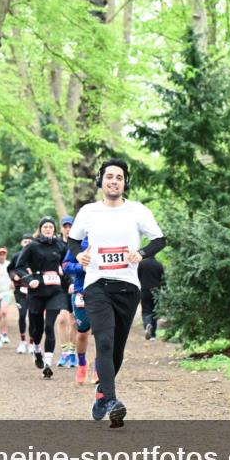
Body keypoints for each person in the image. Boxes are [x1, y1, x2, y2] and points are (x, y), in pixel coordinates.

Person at [68, 159, 165, 427]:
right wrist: (80, 255)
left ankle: (101, 396)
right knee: (105, 341)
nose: (114, 181)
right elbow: (73, 239)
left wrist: (142, 253)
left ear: (125, 182)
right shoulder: (88, 211)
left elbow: (159, 239)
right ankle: (111, 400)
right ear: (101, 180)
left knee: (117, 350)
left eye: (119, 177)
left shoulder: (137, 210)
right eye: (109, 176)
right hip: (97, 285)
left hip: (128, 287)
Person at [15, 216, 68, 378]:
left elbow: (67, 264)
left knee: (49, 325)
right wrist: (29, 280)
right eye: (45, 227)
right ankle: (37, 350)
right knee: (36, 328)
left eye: (51, 227)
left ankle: (48, 362)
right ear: (40, 229)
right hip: (37, 290)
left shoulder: (60, 245)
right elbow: (19, 267)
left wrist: (69, 279)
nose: (48, 229)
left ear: (54, 229)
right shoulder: (32, 246)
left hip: (55, 291)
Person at [62, 236, 94, 385]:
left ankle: (100, 367)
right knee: (82, 334)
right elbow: (66, 265)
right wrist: (81, 266)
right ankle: (82, 364)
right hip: (81, 291)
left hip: (103, 292)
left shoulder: (110, 237)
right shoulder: (80, 243)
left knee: (103, 333)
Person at [57, 215, 79, 368]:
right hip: (60, 287)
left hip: (75, 286)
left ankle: (72, 353)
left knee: (73, 321)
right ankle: (64, 352)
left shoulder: (77, 244)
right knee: (62, 320)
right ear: (61, 229)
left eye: (70, 226)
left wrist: (74, 281)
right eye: (65, 226)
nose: (67, 229)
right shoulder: (57, 244)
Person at [8, 234, 33, 354]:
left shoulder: (36, 256)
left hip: (34, 291)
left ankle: (32, 343)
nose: (27, 243)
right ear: (21, 243)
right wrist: (14, 276)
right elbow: (10, 269)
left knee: (34, 316)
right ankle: (23, 342)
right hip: (20, 291)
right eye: (25, 241)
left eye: (29, 241)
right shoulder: (16, 256)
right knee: (22, 315)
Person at [138, 256, 164, 340]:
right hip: (156, 291)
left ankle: (147, 324)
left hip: (145, 290)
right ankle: (153, 335)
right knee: (155, 312)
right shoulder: (159, 265)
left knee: (146, 310)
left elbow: (138, 276)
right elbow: (163, 279)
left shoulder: (141, 264)